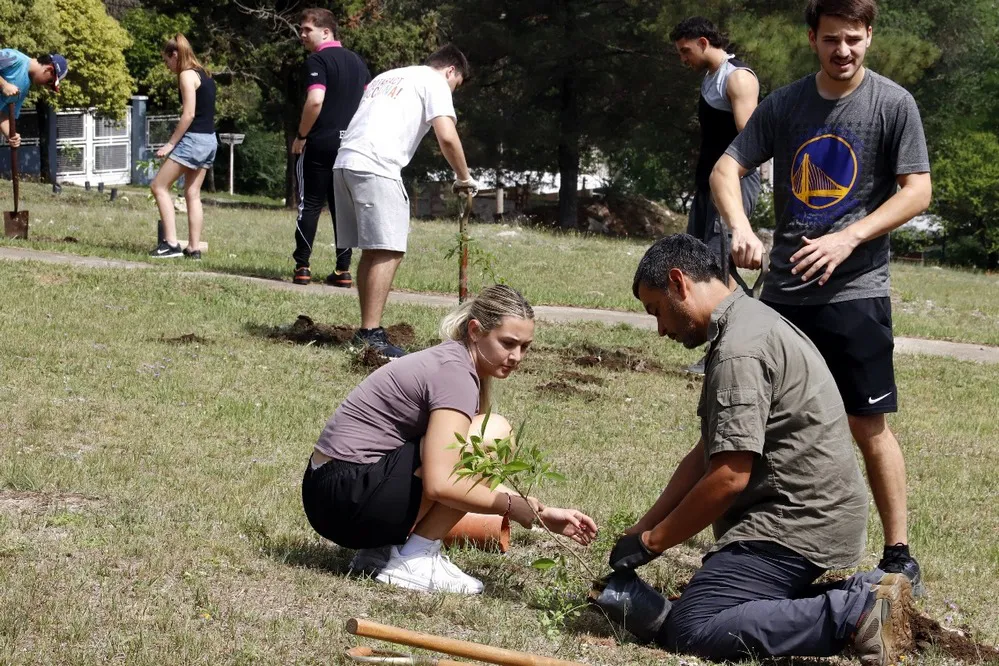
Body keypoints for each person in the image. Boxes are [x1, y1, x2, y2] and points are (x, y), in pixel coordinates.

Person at [606, 234, 914, 664]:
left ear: (679, 282)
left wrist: (655, 542)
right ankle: (864, 594)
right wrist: (641, 529)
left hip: (796, 523)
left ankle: (856, 612)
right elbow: (704, 455)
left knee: (690, 625)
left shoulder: (739, 352)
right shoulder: (748, 320)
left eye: (656, 310)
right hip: (811, 514)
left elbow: (729, 478)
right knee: (712, 609)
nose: (660, 329)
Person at [710, 0, 931, 591]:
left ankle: (898, 553)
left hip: (856, 291)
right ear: (812, 38)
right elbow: (725, 170)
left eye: (854, 39)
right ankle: (760, 543)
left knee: (868, 424)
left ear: (869, 38)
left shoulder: (892, 104)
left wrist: (849, 238)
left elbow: (918, 191)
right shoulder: (784, 104)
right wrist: (739, 226)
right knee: (763, 426)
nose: (843, 51)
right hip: (783, 295)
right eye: (832, 39)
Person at [302, 284, 597, 594]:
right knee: (493, 433)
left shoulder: (454, 362)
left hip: (329, 494)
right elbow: (440, 483)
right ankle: (415, 558)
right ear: (475, 330)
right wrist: (511, 505)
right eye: (508, 343)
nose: (516, 357)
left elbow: (456, 473)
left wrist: (539, 512)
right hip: (344, 497)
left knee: (470, 444)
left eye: (525, 346)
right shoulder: (455, 374)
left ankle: (379, 553)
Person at [333, 44, 479, 358]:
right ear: (451, 71)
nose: (452, 90)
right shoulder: (435, 81)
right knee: (389, 248)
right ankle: (370, 334)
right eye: (457, 85)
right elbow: (447, 136)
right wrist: (464, 177)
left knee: (373, 250)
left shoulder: (390, 77)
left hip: (345, 162)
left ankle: (366, 329)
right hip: (376, 165)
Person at [670, 17, 762, 374]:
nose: (683, 59)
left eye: (685, 51)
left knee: (715, 267)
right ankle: (741, 333)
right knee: (701, 264)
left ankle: (726, 352)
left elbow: (752, 141)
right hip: (707, 187)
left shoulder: (737, 77)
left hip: (733, 187)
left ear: (704, 42)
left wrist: (727, 186)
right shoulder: (711, 78)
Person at [290, 8, 370, 288]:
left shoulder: (318, 60)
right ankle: (343, 271)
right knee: (342, 208)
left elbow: (315, 100)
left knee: (309, 204)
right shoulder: (358, 62)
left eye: (306, 29)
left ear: (326, 32)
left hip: (319, 142)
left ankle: (302, 267)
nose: (301, 34)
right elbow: (368, 103)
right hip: (350, 145)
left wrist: (302, 134)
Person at [148, 34, 218, 260]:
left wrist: (170, 144)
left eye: (166, 60)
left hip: (194, 140)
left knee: (159, 186)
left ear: (175, 55)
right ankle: (193, 248)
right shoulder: (205, 74)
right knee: (192, 193)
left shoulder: (186, 75)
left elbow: (188, 114)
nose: (166, 65)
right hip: (209, 140)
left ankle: (170, 244)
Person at [0, 50, 68, 147]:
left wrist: (10, 134)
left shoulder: (23, 88)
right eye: (49, 82)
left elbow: (3, 115)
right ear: (48, 69)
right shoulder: (14, 58)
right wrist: (3, 85)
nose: (46, 86)